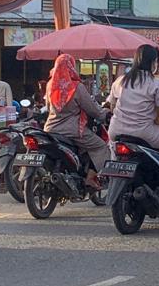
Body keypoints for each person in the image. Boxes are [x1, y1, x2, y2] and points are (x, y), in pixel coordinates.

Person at [43, 54, 109, 190]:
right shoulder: (76, 87)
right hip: (72, 130)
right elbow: (92, 109)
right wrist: (104, 114)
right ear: (71, 67)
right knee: (101, 146)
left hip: (50, 129)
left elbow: (49, 108)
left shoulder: (50, 85)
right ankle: (90, 178)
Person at [107, 44, 159, 152]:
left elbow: (112, 107)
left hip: (115, 131)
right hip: (144, 133)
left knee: (114, 155)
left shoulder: (120, 80)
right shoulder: (155, 84)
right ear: (153, 62)